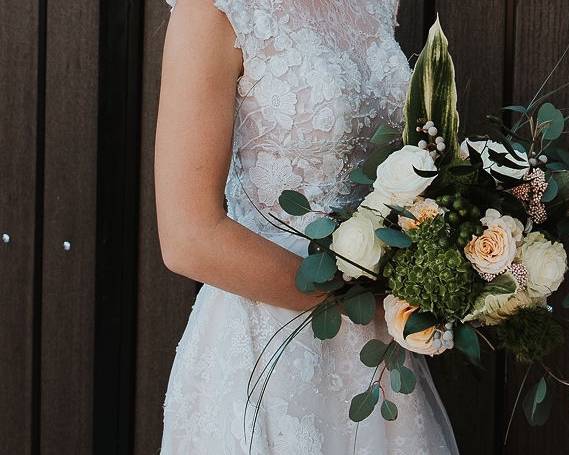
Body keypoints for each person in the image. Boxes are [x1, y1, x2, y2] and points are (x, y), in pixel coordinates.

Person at [155, 0, 458, 453]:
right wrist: (359, 302)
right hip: (270, 340)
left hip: (379, 348)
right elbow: (189, 238)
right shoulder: (213, 9)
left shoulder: (375, 4)